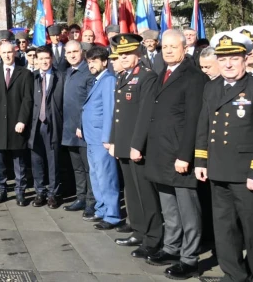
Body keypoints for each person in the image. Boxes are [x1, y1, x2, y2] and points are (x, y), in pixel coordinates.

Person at [195, 32, 253, 282]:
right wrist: (200, 160)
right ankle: (234, 275)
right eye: (223, 58)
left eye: (234, 58)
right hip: (218, 169)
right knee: (224, 229)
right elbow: (203, 124)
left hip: (245, 173)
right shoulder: (211, 86)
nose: (228, 64)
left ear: (244, 59)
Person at [132, 29, 206, 279]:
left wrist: (186, 156)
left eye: (174, 46)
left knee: (188, 210)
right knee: (169, 207)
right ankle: (172, 247)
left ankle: (189, 257)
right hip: (160, 153)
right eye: (165, 47)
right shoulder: (162, 74)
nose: (169, 50)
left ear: (185, 49)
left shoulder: (193, 77)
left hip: (179, 155)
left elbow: (194, 120)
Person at [108, 34, 162, 258]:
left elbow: (145, 115)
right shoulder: (124, 76)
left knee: (145, 194)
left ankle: (153, 238)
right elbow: (118, 113)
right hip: (123, 144)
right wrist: (113, 140)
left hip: (136, 146)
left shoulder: (146, 77)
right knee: (131, 192)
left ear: (138, 54)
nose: (123, 57)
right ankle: (138, 231)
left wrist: (137, 145)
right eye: (121, 54)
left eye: (128, 53)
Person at [0, 40, 32, 206]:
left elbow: (27, 100)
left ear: (15, 53)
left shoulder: (25, 73)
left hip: (16, 124)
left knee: (18, 161)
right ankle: (1, 190)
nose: (6, 55)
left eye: (9, 52)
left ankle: (20, 192)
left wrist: (22, 120)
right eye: (3, 52)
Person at [79, 46, 120, 229]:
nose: (91, 65)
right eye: (88, 62)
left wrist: (107, 138)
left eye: (94, 61)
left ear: (105, 61)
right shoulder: (98, 80)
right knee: (96, 176)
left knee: (106, 177)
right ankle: (102, 209)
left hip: (101, 139)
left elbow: (110, 111)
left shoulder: (109, 80)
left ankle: (112, 215)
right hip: (91, 137)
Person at [61, 40, 97, 216]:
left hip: (83, 130)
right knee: (77, 168)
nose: (72, 55)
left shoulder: (88, 72)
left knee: (89, 168)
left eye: (75, 51)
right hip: (69, 129)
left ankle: (91, 201)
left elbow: (90, 103)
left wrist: (82, 126)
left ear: (82, 52)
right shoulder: (68, 72)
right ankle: (81, 197)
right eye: (69, 53)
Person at [29, 45, 64, 208]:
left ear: (52, 59)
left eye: (47, 58)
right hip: (35, 125)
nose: (44, 61)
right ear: (36, 60)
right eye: (41, 58)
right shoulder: (32, 77)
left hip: (53, 125)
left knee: (53, 161)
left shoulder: (60, 77)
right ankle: (40, 192)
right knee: (37, 160)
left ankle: (53, 194)